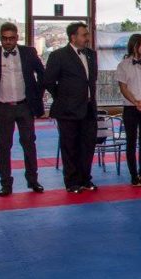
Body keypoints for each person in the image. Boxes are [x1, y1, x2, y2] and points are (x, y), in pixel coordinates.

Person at [0, 22, 46, 196]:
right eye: (5, 38)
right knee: (3, 146)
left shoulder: (28, 53)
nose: (8, 42)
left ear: (17, 37)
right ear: (0, 38)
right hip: (2, 107)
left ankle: (33, 180)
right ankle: (6, 184)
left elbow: (42, 73)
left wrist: (37, 95)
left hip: (25, 105)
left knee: (29, 144)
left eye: (11, 38)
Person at [44, 21, 98, 194]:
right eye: (84, 35)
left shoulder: (91, 54)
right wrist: (62, 97)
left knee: (87, 145)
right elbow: (48, 81)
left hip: (88, 107)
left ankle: (85, 178)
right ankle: (72, 181)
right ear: (73, 37)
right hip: (67, 109)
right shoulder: (59, 55)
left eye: (87, 34)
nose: (87, 38)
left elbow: (91, 80)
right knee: (70, 146)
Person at [114, 33, 141, 187]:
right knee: (131, 142)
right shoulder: (123, 65)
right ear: (133, 45)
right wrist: (136, 102)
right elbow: (123, 87)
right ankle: (133, 175)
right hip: (130, 107)